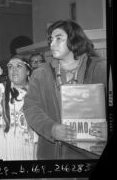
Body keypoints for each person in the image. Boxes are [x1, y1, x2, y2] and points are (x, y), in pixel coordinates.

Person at [23, 19, 107, 160]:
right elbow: (31, 108)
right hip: (53, 156)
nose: (52, 43)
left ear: (74, 40)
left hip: (91, 155)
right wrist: (51, 128)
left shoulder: (100, 69)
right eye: (51, 39)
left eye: (58, 38)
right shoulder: (40, 74)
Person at [0, 55, 38, 160]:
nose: (14, 69)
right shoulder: (2, 91)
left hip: (29, 150)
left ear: (28, 71)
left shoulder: (37, 94)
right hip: (4, 150)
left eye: (19, 66)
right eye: (10, 66)